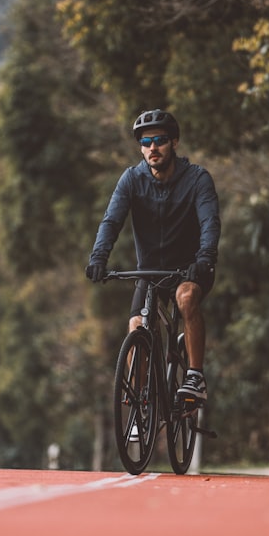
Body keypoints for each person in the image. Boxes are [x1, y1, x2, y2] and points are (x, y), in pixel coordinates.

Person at [86, 109, 220, 404]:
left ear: (174, 142)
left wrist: (205, 257)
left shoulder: (197, 179)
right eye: (146, 143)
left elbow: (210, 222)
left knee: (185, 299)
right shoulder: (131, 180)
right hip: (149, 273)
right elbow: (112, 221)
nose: (152, 148)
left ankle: (195, 377)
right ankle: (140, 401)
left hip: (190, 270)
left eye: (159, 140)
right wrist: (99, 258)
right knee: (137, 328)